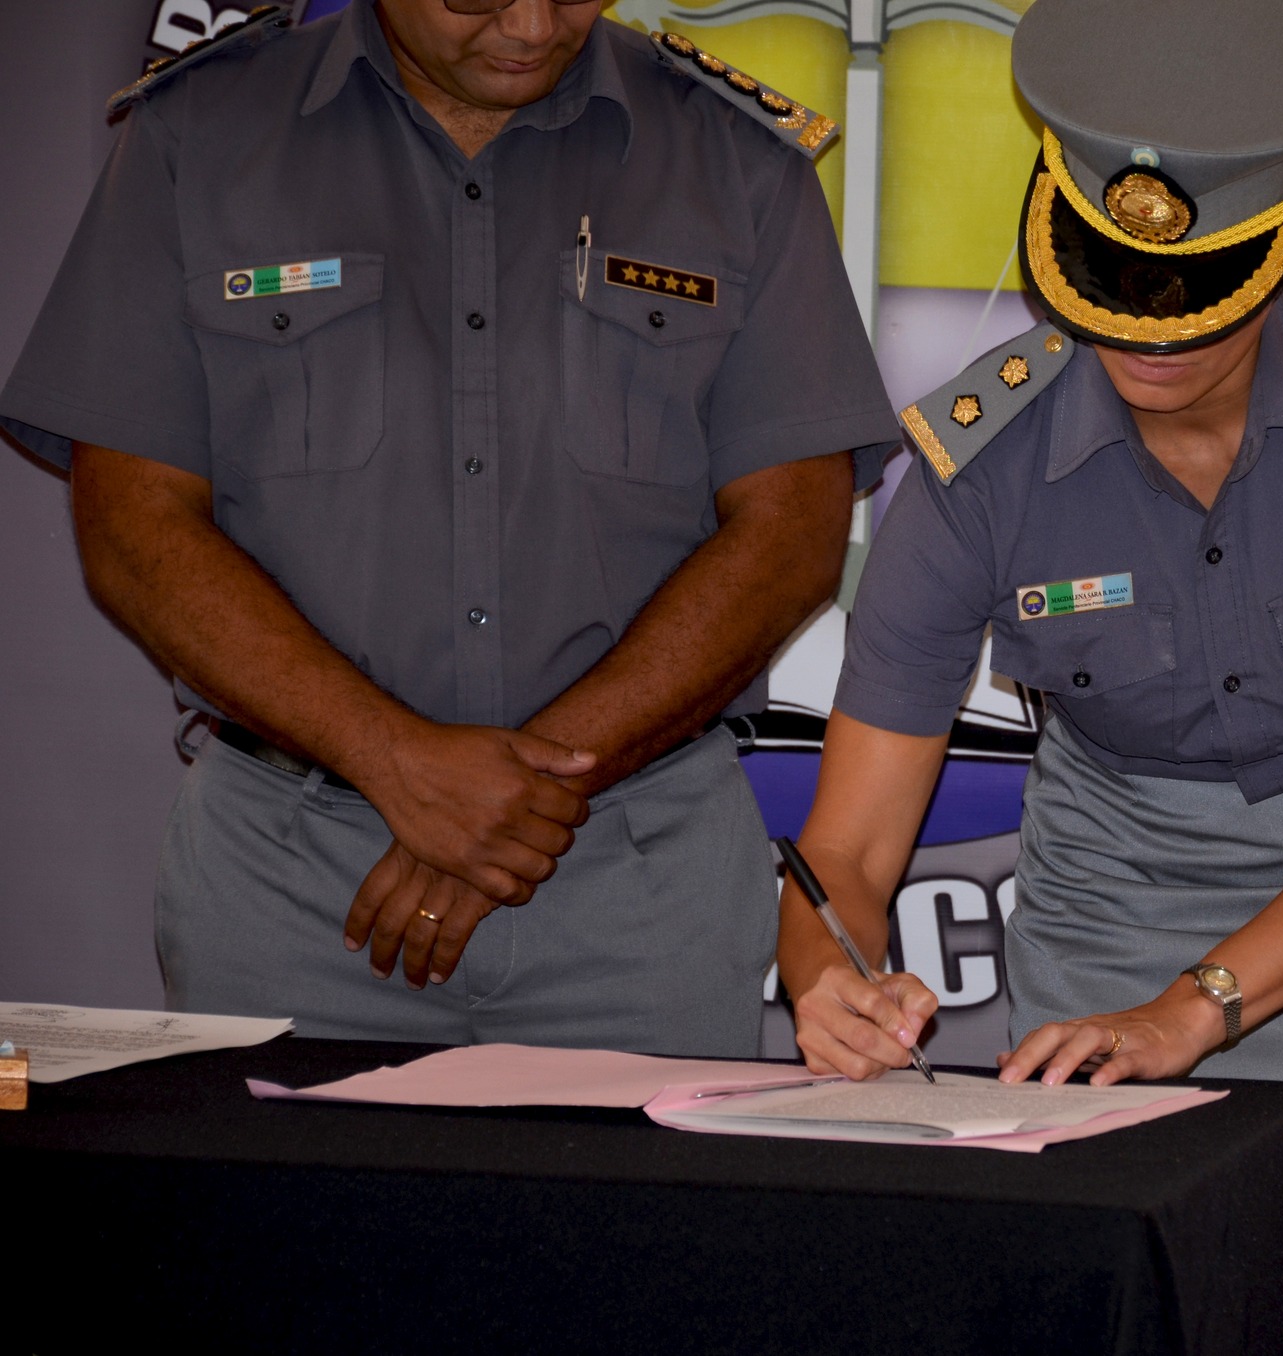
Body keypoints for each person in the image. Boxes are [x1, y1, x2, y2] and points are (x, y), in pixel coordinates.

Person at [774, 0, 1283, 1350]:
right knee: (1117, 1315)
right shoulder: (976, 467)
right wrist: (823, 971)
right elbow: (845, 846)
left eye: (1200, 296)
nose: (1150, 333)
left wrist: (1197, 1011)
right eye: (1112, 287)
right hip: (1118, 893)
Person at [0, 0, 900, 1054]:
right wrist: (395, 760)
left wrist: (505, 799)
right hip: (289, 883)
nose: (528, 24)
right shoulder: (199, 135)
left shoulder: (731, 156)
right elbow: (133, 526)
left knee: (642, 1222)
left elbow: (789, 537)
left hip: (635, 883)